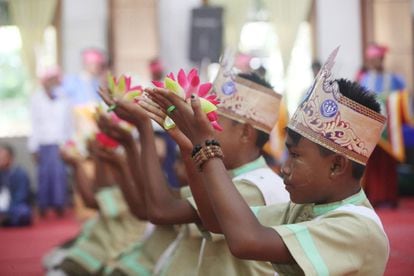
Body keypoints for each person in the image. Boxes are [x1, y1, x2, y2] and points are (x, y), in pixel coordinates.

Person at [154, 48, 390, 275]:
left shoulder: (358, 229)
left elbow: (246, 241)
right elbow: (216, 222)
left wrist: (204, 147)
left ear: (337, 166)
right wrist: (190, 146)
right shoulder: (302, 208)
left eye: (295, 156)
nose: (284, 168)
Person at [128, 69, 290, 275]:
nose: (201, 126)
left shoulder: (258, 186)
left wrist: (148, 130)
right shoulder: (228, 176)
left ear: (245, 133)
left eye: (211, 120)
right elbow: (160, 200)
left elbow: (161, 210)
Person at [359, 43, 406, 207]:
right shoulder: (364, 79)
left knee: (388, 164)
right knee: (373, 164)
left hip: (390, 131)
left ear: (382, 59)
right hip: (371, 129)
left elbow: (403, 99)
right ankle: (375, 197)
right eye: (372, 59)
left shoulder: (394, 79)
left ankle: (389, 197)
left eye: (378, 59)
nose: (375, 62)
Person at [28, 67, 73, 217]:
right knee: (44, 175)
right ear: (44, 82)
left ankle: (60, 205)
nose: (52, 82)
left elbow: (68, 124)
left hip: (59, 143)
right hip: (42, 143)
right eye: (49, 79)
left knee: (59, 174)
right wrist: (33, 147)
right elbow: (33, 123)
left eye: (55, 79)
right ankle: (43, 206)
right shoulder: (36, 98)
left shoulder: (64, 98)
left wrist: (68, 144)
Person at [0, 144, 32, 226]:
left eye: (2, 157)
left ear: (10, 158)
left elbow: (21, 196)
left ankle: (6, 221)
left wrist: (7, 211)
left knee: (24, 212)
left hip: (14, 206)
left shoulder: (20, 173)